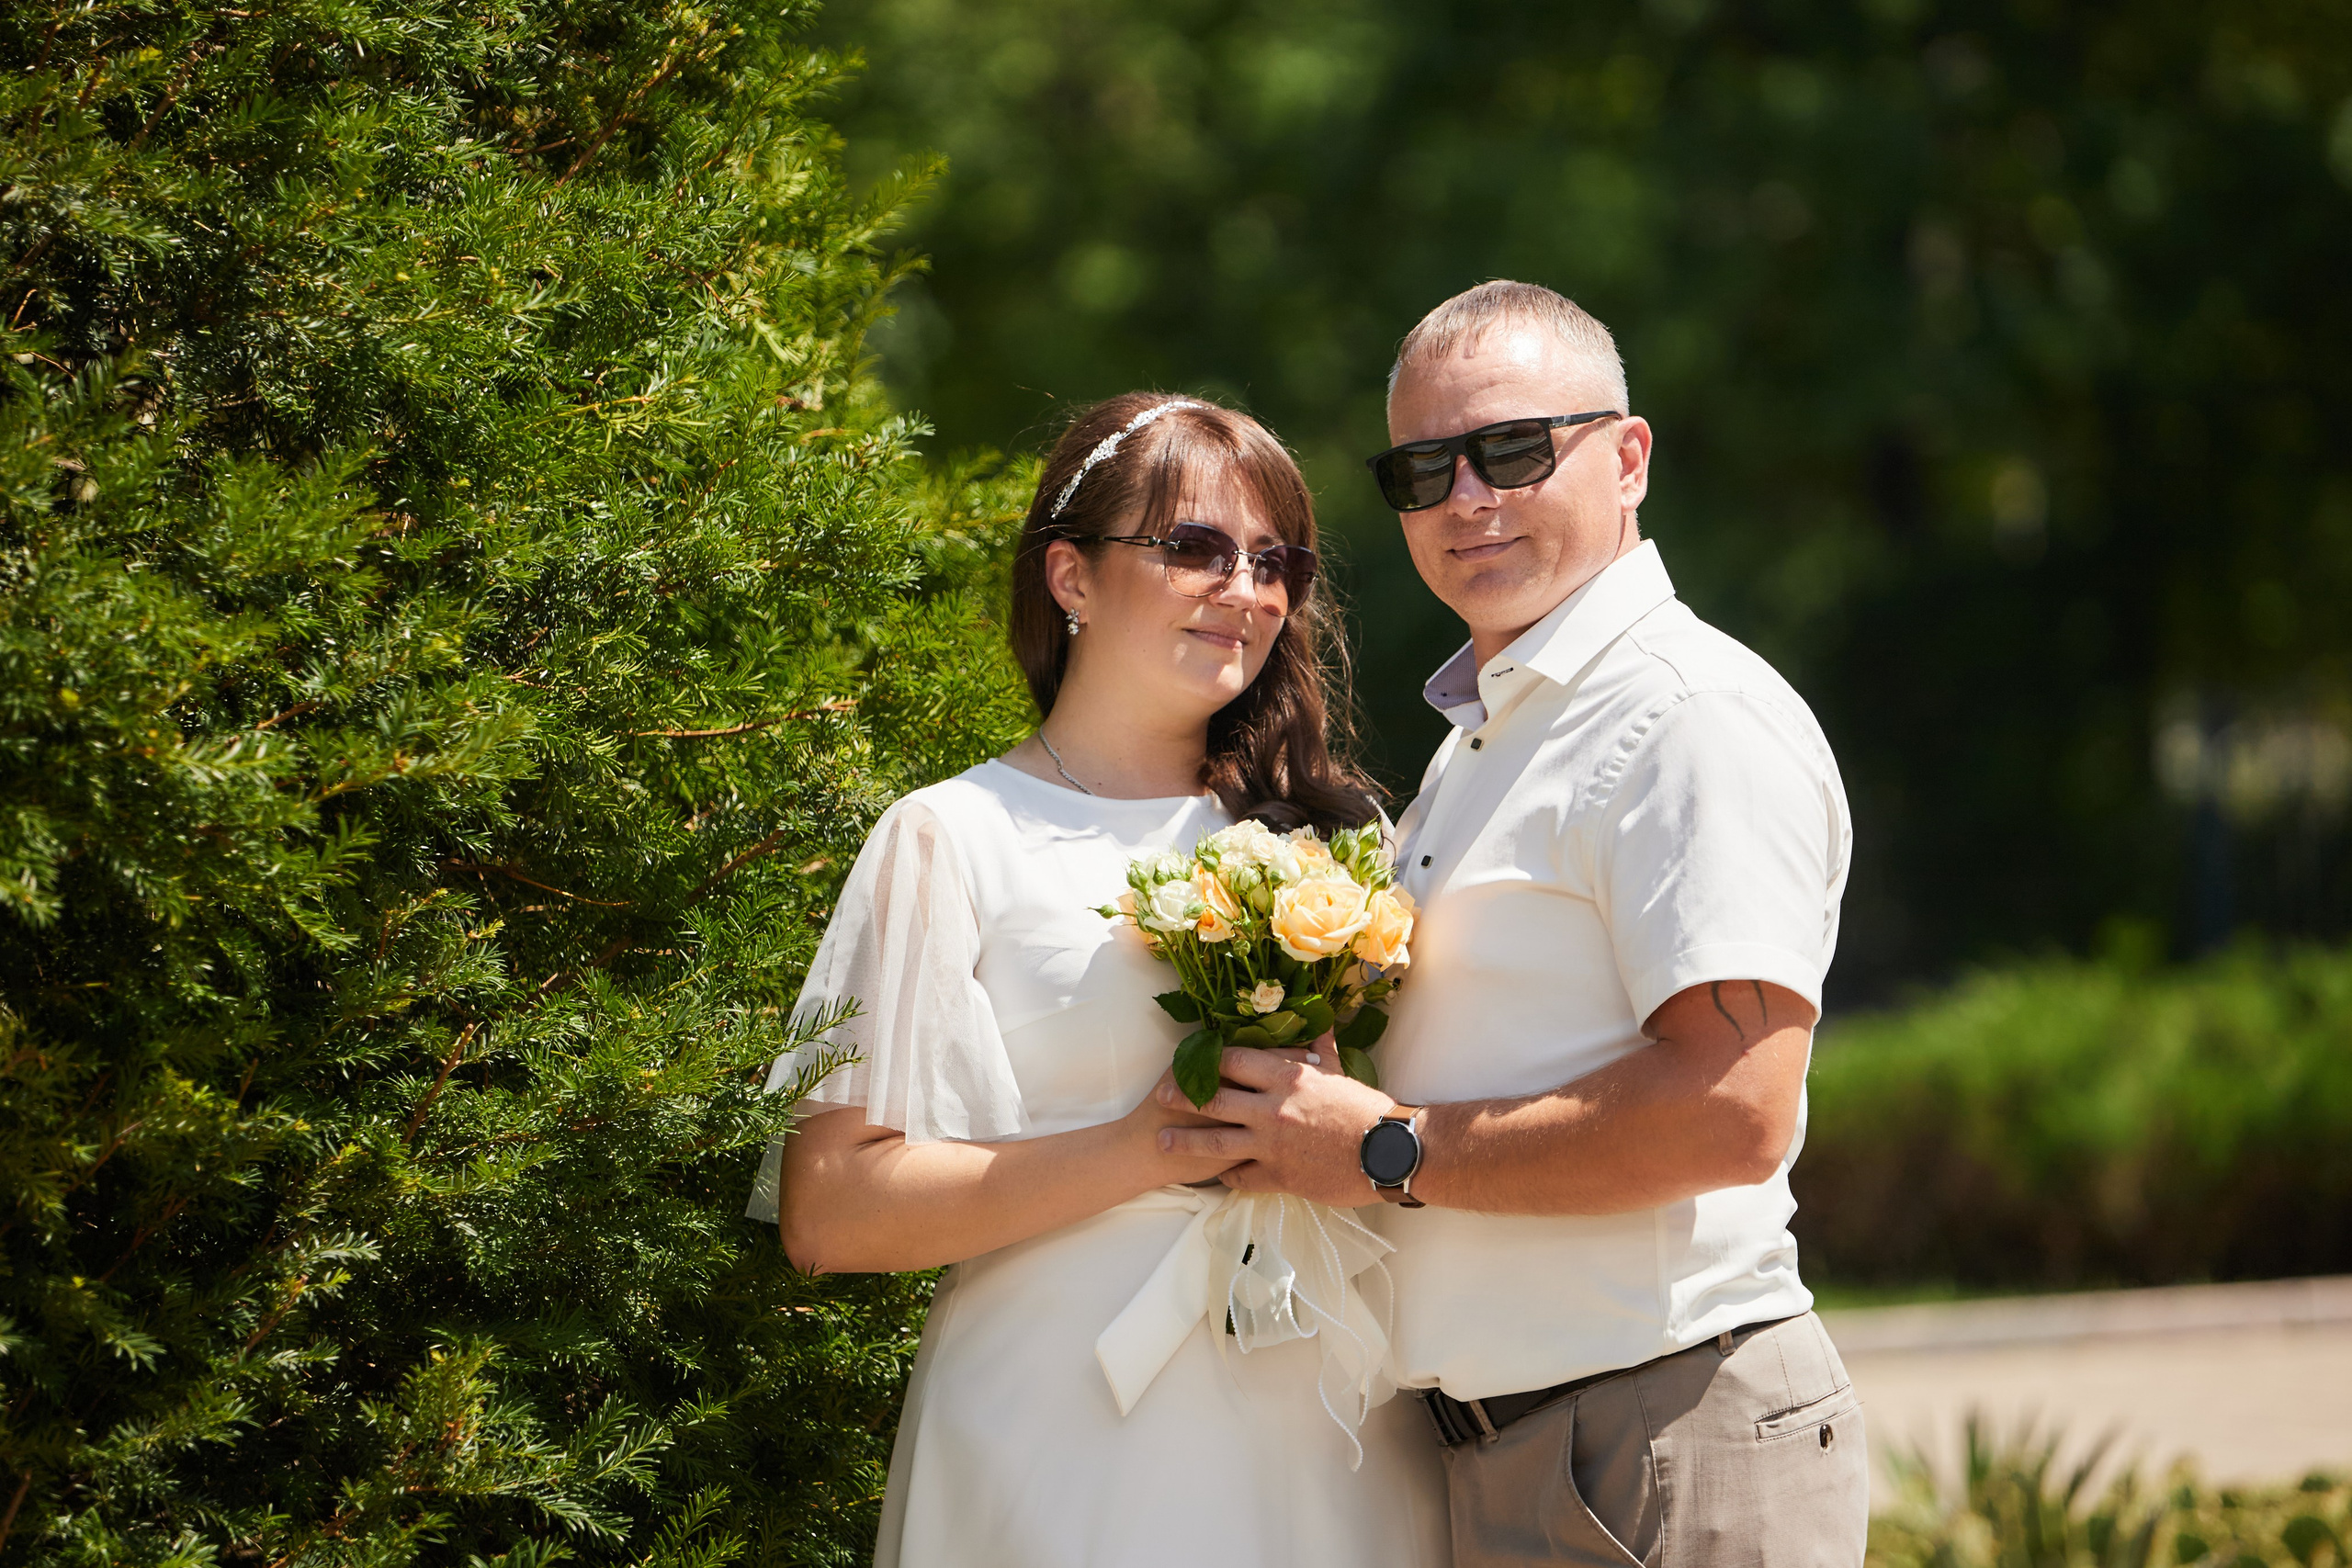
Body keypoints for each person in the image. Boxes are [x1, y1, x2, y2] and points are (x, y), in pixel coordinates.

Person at [1160, 282, 1869, 1566]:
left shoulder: (1684, 715)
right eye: (1424, 468)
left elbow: (1733, 1108)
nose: (1467, 498)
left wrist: (1381, 1150)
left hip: (1663, 1426)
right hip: (1519, 1450)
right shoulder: (1494, 733)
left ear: (1630, 455)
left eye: (1513, 449)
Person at [746, 392, 1452, 1568]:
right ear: (1070, 576)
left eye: (1275, 560)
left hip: (1326, 1409)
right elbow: (831, 1211)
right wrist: (1145, 1147)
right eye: (1193, 547)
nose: (1246, 587)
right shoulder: (948, 836)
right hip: (1061, 1421)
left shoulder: (1339, 838)